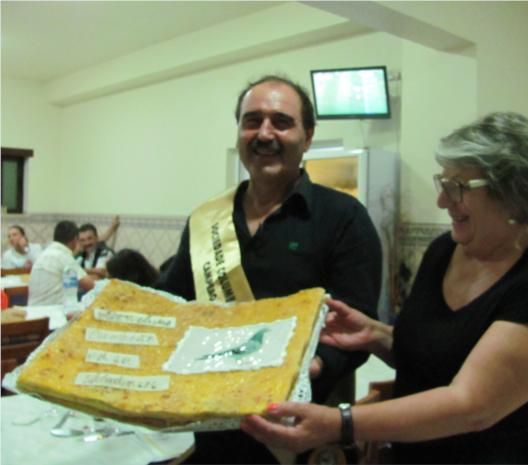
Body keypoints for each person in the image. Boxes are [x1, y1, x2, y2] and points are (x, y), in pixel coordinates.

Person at [240, 112, 528, 464]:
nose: (442, 201)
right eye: (444, 183)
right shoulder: (444, 251)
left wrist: (339, 423)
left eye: (457, 187)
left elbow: (470, 406)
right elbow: (434, 358)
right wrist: (375, 335)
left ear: (514, 194)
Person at [155, 75, 382, 463]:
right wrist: (113, 317)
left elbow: (356, 323)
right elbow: (173, 301)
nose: (264, 133)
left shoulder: (344, 218)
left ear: (307, 137)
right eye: (252, 121)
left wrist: (313, 365)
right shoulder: (206, 219)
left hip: (297, 433)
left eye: (281, 122)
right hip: (210, 423)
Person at [28, 220, 95, 305]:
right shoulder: (63, 256)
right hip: (52, 310)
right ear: (75, 239)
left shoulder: (45, 253)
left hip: (33, 309)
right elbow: (90, 285)